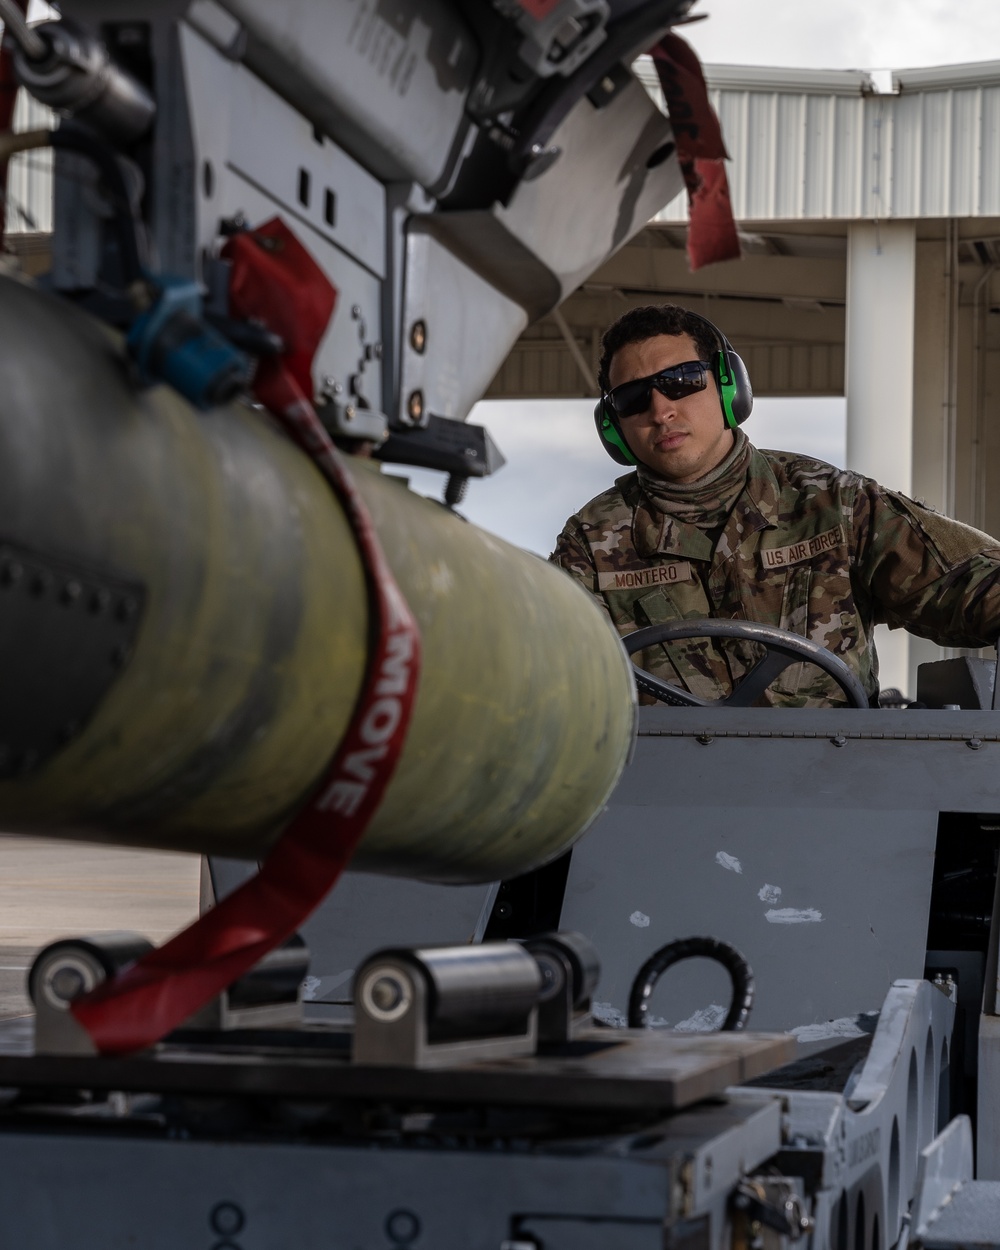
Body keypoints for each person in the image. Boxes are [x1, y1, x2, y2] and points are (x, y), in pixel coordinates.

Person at [550, 304, 1000, 707]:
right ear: (613, 427)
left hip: (839, 784)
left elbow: (977, 587)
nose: (660, 409)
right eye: (632, 398)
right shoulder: (590, 544)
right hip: (667, 789)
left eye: (681, 381)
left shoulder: (835, 504)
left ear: (729, 386)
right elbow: (544, 670)